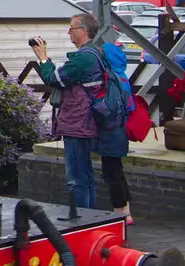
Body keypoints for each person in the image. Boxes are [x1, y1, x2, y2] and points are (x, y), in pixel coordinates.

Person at [32, 15, 104, 210]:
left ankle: (81, 219)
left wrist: (43, 58)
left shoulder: (84, 57)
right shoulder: (95, 53)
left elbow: (54, 78)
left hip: (78, 123)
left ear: (84, 31)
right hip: (87, 121)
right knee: (86, 174)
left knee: (76, 176)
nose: (68, 31)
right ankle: (90, 217)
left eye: (71, 28)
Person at [98, 41, 134, 224]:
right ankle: (126, 210)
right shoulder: (123, 77)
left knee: (112, 173)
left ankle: (122, 213)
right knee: (117, 171)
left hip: (112, 131)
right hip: (120, 131)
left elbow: (107, 108)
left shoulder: (111, 79)